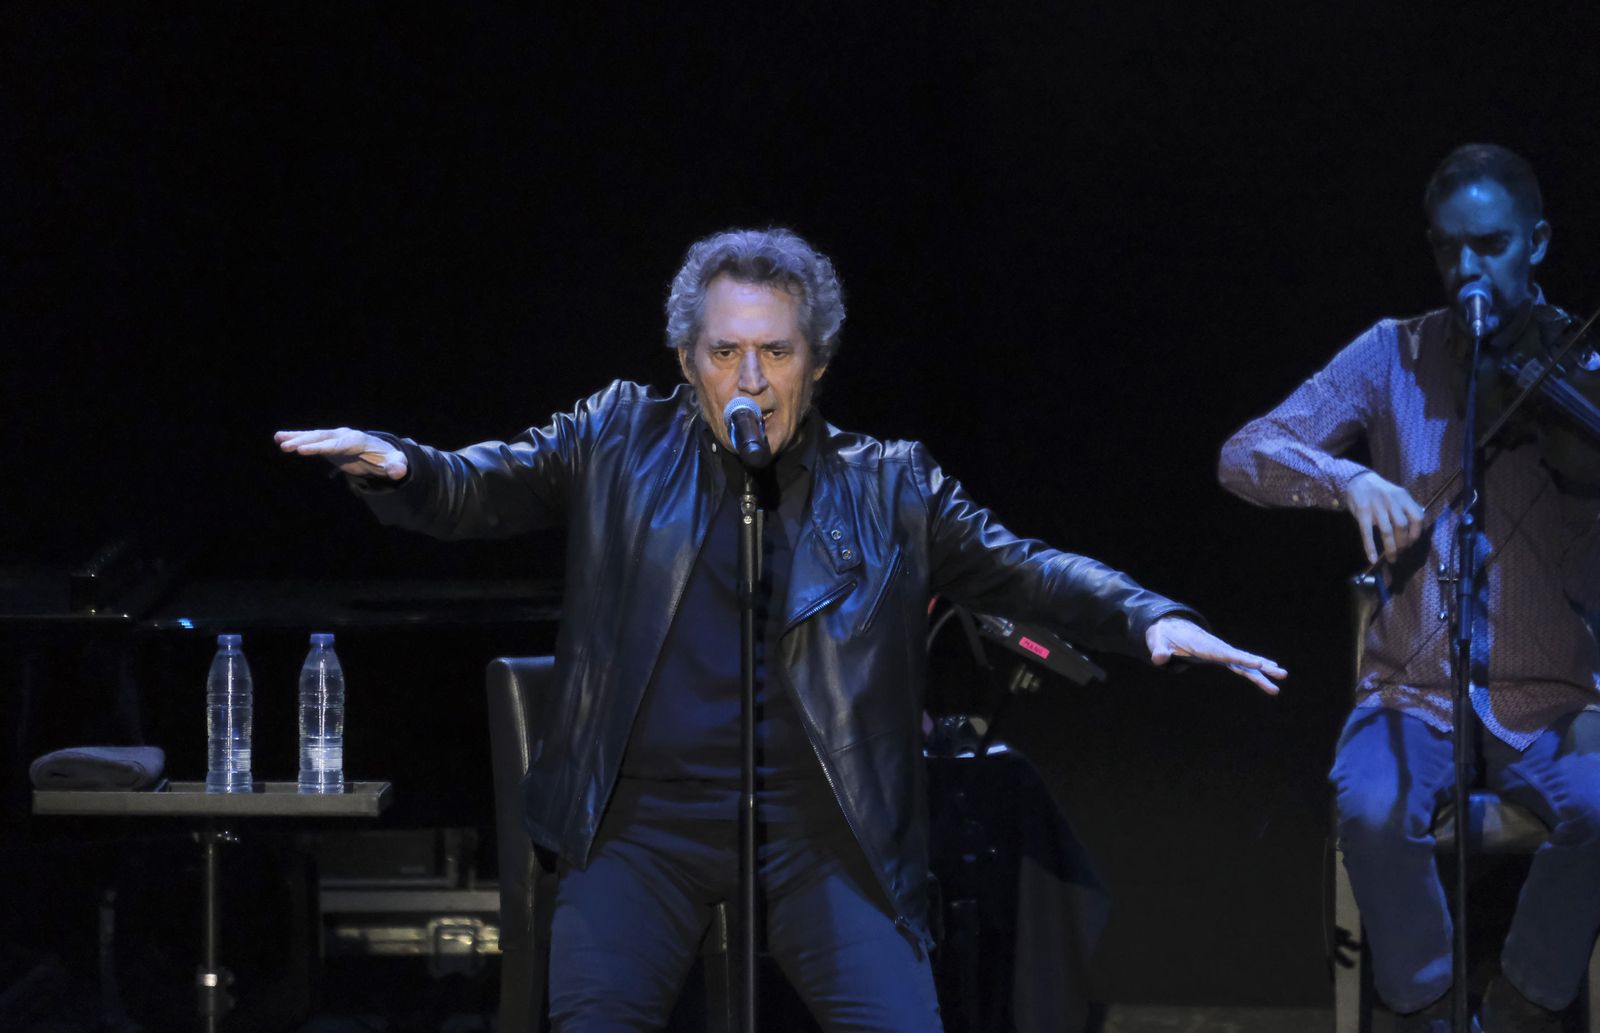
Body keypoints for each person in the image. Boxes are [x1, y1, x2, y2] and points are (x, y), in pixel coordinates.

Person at [280, 227, 1285, 1032]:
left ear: (817, 360)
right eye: (726, 352)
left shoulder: (888, 483)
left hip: (823, 835)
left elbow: (1023, 568)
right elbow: (477, 486)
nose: (750, 378)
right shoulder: (616, 438)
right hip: (642, 833)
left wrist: (1148, 615)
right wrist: (400, 465)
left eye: (775, 350)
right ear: (688, 360)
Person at [1218, 144, 1600, 1033]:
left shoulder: (1583, 365)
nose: (1466, 269)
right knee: (1371, 802)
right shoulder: (1393, 353)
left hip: (1554, 695)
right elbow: (1243, 453)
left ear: (1537, 242)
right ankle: (1425, 1004)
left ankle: (1522, 1004)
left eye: (1491, 245)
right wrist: (1345, 479)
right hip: (1413, 691)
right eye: (1446, 249)